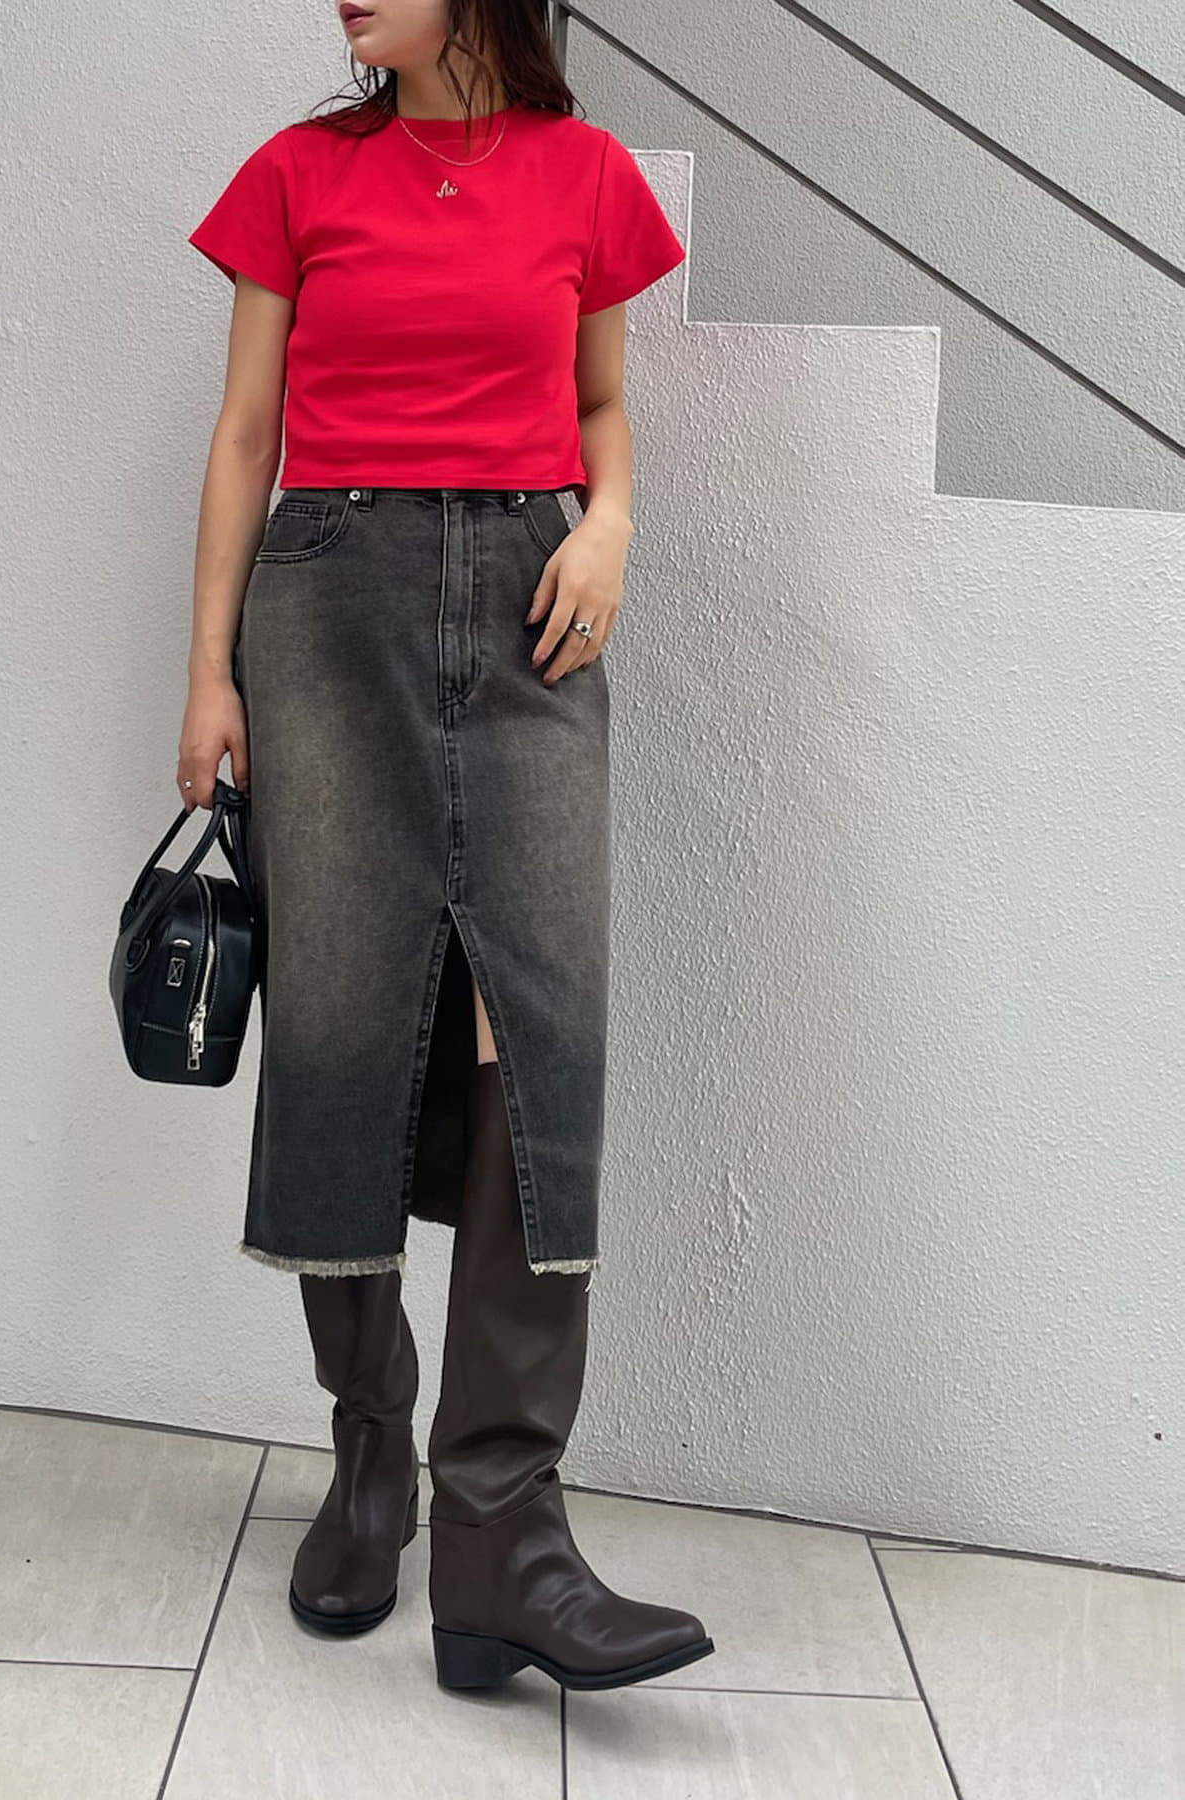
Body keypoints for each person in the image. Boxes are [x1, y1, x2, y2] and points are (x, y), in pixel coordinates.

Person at [180, 0, 715, 1694]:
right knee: (342, 1030)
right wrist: (208, 674)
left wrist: (611, 524)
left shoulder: (588, 174)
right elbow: (246, 436)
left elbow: (603, 404)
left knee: (534, 1038)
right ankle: (369, 1454)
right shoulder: (297, 176)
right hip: (330, 615)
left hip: (537, 615)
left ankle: (504, 1538)